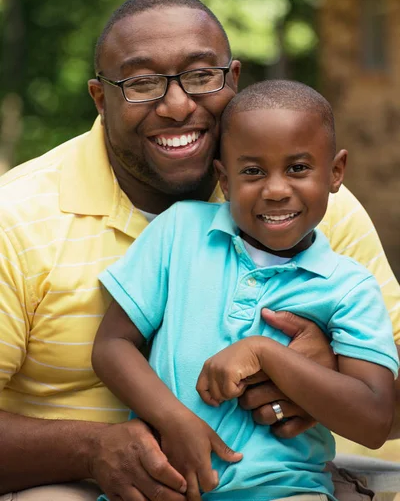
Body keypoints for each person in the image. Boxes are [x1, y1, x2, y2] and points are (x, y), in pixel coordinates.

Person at [0, 0, 398, 501]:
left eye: (200, 76)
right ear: (102, 99)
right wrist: (90, 450)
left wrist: (320, 372)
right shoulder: (18, 219)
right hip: (75, 480)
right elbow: (114, 347)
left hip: (278, 481)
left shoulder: (311, 208)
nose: (176, 105)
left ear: (232, 80)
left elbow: (380, 403)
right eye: (142, 83)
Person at [92, 80, 398, 501]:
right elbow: (112, 346)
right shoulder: (179, 233)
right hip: (160, 485)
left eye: (298, 169)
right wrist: (174, 419)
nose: (275, 190)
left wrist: (264, 353)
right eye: (252, 171)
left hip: (284, 490)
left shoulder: (350, 288)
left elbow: (374, 419)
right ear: (224, 178)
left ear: (336, 172)